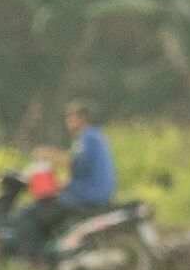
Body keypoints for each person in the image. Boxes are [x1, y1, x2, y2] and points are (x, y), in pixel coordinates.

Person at [12, 100, 116, 258]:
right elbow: (81, 171)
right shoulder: (96, 137)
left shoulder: (88, 137)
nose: (68, 122)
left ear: (82, 119)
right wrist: (59, 185)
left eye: (71, 118)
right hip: (89, 194)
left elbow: (73, 163)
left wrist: (47, 153)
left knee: (29, 214)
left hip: (86, 197)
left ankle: (34, 263)